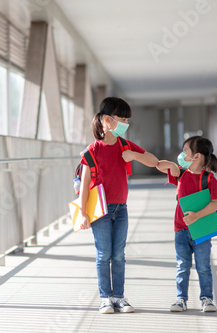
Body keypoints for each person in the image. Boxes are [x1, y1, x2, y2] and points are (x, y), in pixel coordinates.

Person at [78, 97, 161, 314]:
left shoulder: (126, 145)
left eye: (127, 119)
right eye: (122, 118)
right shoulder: (93, 150)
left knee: (119, 255)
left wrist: (134, 155)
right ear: (107, 120)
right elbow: (85, 184)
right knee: (103, 254)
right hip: (101, 211)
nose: (126, 122)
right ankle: (105, 298)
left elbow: (153, 161)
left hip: (121, 209)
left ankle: (119, 297)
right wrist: (82, 213)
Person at [156, 136, 217, 313]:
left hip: (201, 229)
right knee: (182, 265)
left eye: (185, 151)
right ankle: (181, 299)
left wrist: (197, 216)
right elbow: (158, 165)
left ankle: (207, 298)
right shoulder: (180, 174)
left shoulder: (209, 179)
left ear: (197, 156)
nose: (181, 154)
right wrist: (171, 165)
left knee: (203, 266)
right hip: (181, 229)